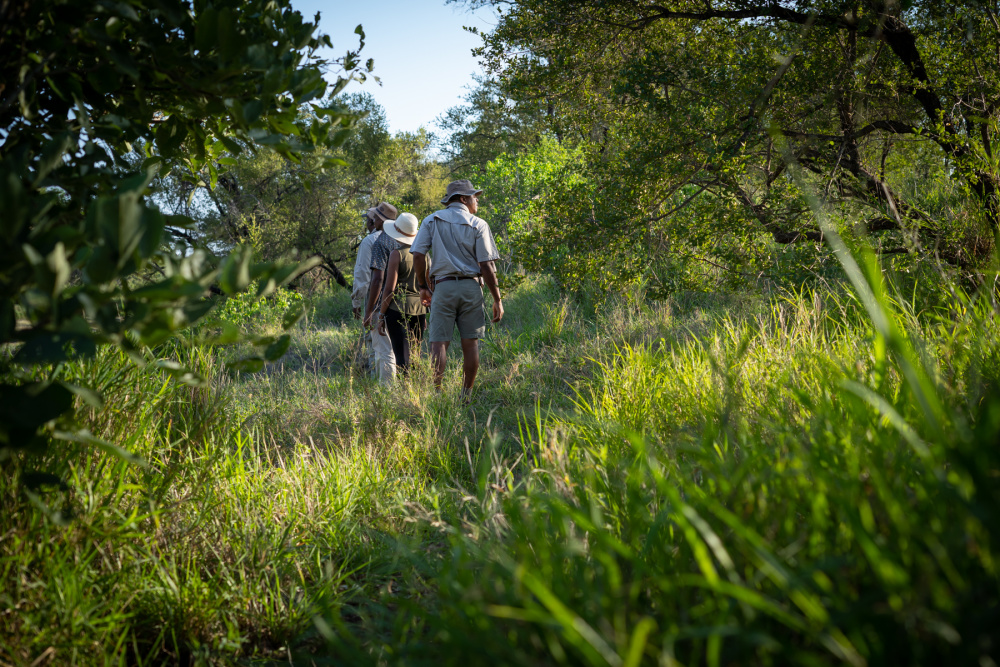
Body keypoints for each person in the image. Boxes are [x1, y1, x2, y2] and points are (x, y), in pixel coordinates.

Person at [411, 180, 503, 399]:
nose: (477, 200)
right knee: (470, 344)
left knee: (438, 343)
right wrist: (497, 298)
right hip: (472, 287)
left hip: (442, 288)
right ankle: (466, 394)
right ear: (463, 199)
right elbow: (487, 265)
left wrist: (423, 286)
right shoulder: (478, 224)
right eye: (474, 196)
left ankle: (436, 394)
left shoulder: (431, 220)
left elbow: (417, 254)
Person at [376, 212, 431, 376]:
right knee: (415, 355)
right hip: (420, 309)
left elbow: (389, 289)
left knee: (402, 358)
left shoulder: (397, 254)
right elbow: (428, 286)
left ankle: (405, 394)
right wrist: (425, 314)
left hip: (397, 310)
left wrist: (381, 315)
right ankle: (417, 391)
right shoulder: (425, 255)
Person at [362, 201, 400, 384]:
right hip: (405, 303)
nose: (373, 220)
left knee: (384, 351)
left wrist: (369, 311)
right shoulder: (403, 239)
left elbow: (377, 279)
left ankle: (387, 392)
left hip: (383, 304)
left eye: (375, 216)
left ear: (382, 220)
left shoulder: (380, 242)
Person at [351, 213, 378, 320]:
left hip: (374, 297)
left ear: (371, 222)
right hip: (398, 298)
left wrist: (356, 302)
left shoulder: (369, 241)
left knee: (372, 333)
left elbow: (363, 273)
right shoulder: (395, 237)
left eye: (367, 221)